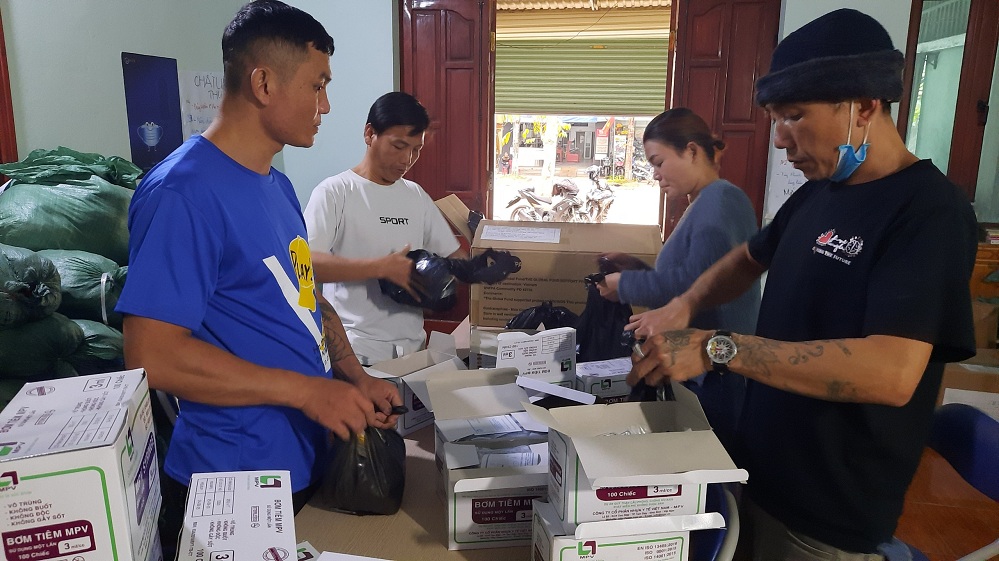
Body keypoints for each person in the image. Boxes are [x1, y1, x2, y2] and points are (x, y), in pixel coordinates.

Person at [624, 9, 977, 561]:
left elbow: (891, 373)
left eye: (794, 116)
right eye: (775, 118)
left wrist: (719, 348)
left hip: (827, 511)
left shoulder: (929, 211)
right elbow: (749, 257)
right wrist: (685, 304)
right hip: (762, 469)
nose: (780, 140)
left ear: (864, 105)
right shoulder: (820, 193)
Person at [115, 1, 402, 556]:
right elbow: (152, 357)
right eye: (317, 86)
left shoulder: (277, 185)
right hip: (234, 480)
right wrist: (308, 391)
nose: (326, 105)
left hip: (306, 459)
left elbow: (305, 299)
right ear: (264, 83)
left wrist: (353, 377)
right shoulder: (182, 193)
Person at [596, 107, 760, 448]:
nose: (655, 174)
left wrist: (624, 285)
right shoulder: (704, 202)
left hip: (717, 371)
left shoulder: (720, 200)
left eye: (659, 162)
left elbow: (696, 285)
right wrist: (636, 269)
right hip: (701, 366)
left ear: (692, 151)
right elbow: (686, 287)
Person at [303, 91, 466, 365]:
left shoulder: (416, 195)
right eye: (399, 146)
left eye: (416, 150)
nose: (407, 159)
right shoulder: (335, 192)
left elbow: (454, 259)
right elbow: (305, 265)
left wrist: (466, 270)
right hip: (356, 354)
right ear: (370, 134)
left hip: (414, 353)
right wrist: (380, 268)